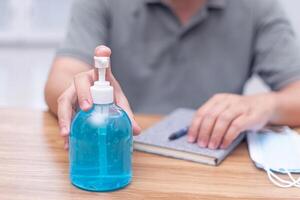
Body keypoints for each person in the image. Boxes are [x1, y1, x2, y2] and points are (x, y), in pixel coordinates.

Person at [45, 0, 300, 150]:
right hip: (122, 152)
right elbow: (63, 74)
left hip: (212, 160)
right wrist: (85, 92)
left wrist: (266, 104)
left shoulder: (258, 7)